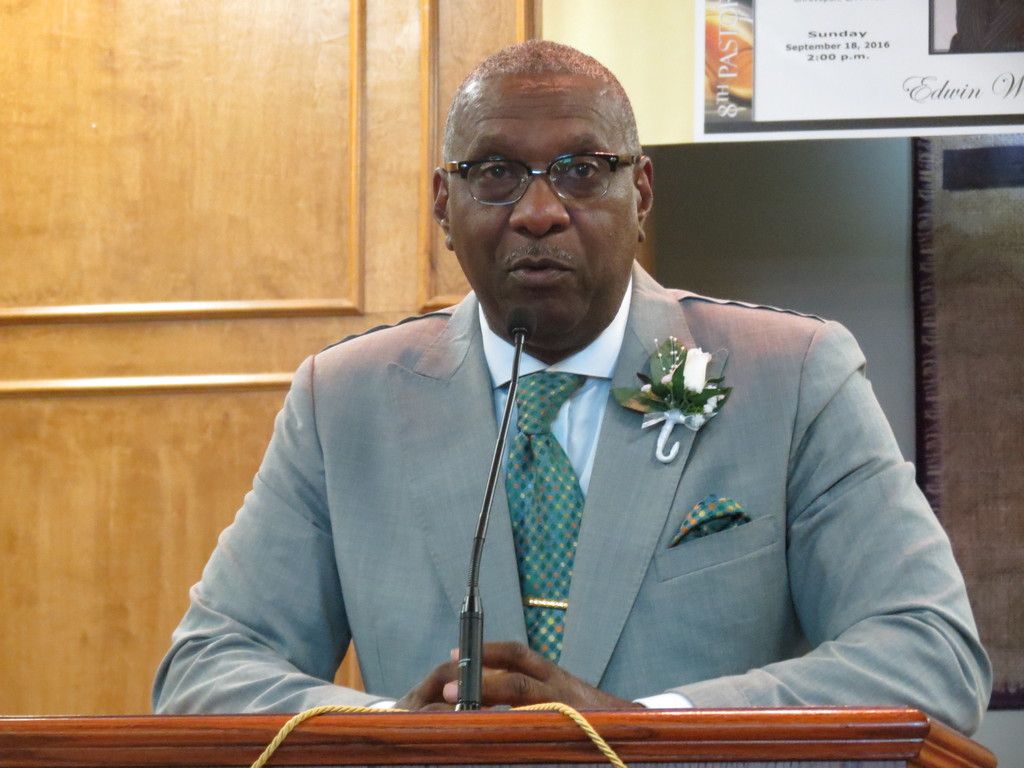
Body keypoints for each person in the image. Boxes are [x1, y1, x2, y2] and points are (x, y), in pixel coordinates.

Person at [152, 40, 991, 732]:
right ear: (443, 204)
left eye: (582, 169)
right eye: (495, 172)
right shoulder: (345, 401)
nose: (539, 210)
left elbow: (930, 655)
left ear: (641, 192)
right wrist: (393, 729)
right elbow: (205, 671)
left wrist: (647, 725)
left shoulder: (793, 376)